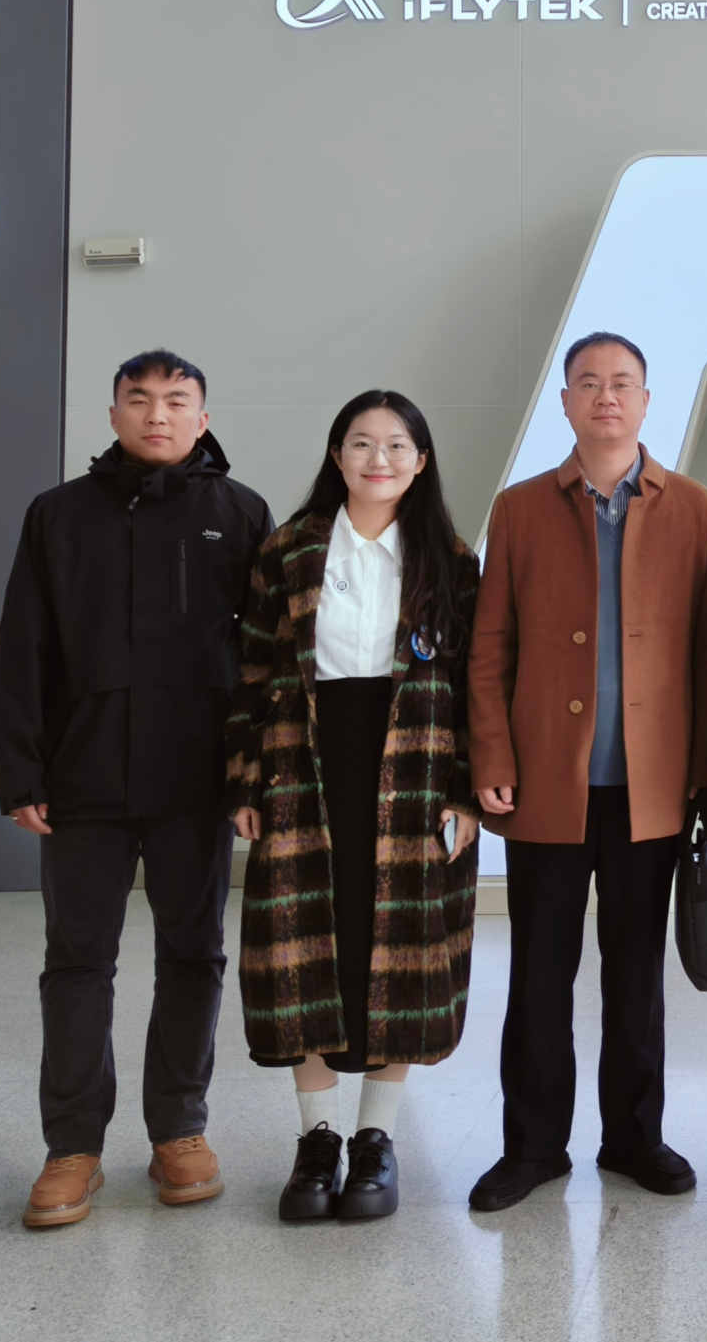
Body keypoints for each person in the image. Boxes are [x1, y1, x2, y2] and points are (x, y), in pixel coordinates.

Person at [0, 350, 273, 1229]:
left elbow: (267, 661)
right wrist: (22, 770)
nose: (158, 414)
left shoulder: (241, 513)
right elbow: (22, 647)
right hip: (83, 775)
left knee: (194, 954)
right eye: (140, 399)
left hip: (199, 778)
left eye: (176, 400)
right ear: (113, 412)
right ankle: (72, 1147)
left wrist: (254, 773)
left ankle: (179, 1129)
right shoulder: (58, 514)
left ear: (202, 416)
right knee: (78, 961)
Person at [466, 332, 707, 1211]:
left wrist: (702, 771)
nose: (605, 396)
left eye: (622, 383)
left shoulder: (696, 509)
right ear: (566, 402)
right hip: (547, 781)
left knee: (636, 971)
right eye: (588, 383)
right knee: (539, 970)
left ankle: (634, 1137)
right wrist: (493, 755)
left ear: (646, 400)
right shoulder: (519, 509)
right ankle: (533, 1145)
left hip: (653, 787)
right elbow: (489, 646)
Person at [226, 391, 482, 1221]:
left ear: (422, 460)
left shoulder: (450, 560)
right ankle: (317, 1139)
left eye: (397, 444)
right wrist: (244, 780)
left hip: (415, 770)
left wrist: (466, 793)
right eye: (362, 443)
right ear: (337, 455)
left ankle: (376, 1139)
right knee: (303, 951)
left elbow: (476, 689)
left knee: (399, 949)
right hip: (304, 765)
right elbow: (251, 671)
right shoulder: (289, 550)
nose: (379, 459)